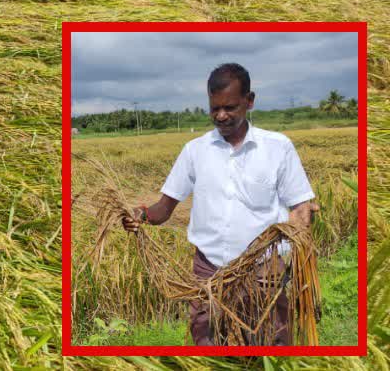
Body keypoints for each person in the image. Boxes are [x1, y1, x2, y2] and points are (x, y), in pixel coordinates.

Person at [121, 62, 320, 345]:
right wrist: (139, 215)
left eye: (230, 107)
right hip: (208, 272)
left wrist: (297, 231)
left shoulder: (278, 147)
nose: (221, 115)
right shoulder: (195, 151)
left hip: (263, 271)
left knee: (270, 342)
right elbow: (163, 209)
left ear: (249, 101)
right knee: (208, 344)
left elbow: (300, 208)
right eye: (215, 108)